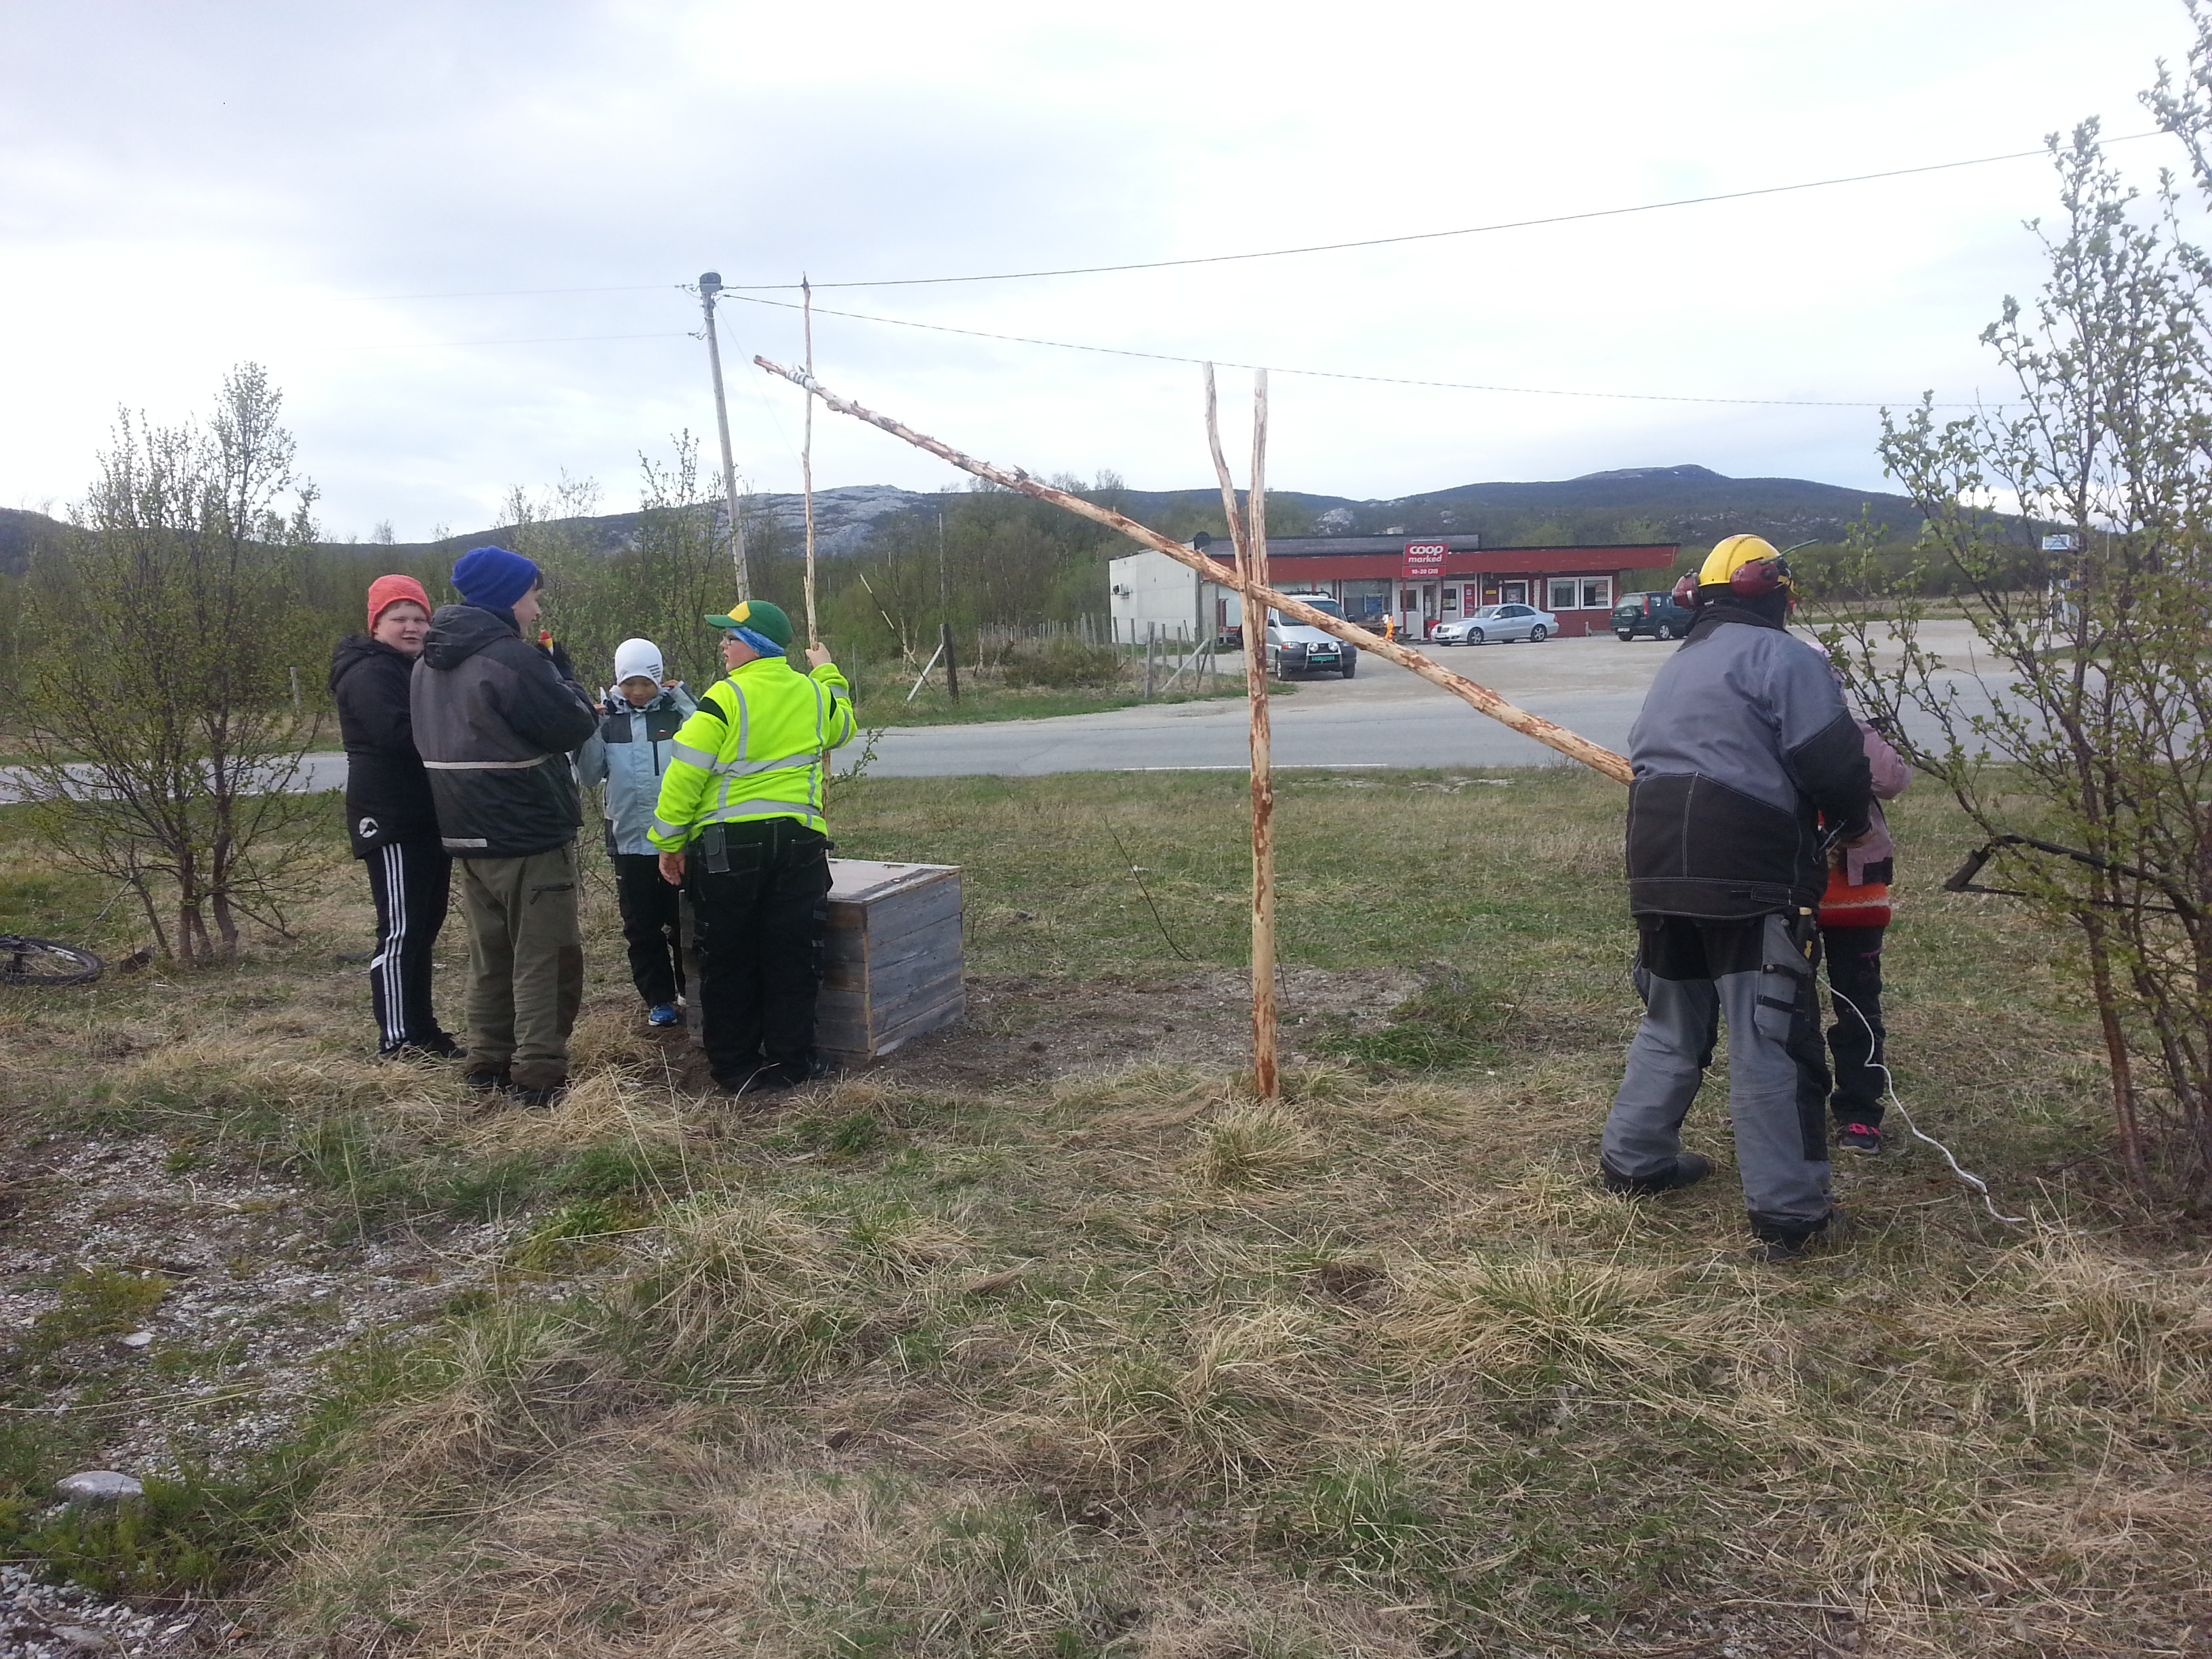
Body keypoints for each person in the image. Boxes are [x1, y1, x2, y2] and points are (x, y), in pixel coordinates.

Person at [1597, 534, 1875, 1262]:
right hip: (1746, 868)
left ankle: (1635, 1162)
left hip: (1657, 862)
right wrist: (1848, 823)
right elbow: (1837, 767)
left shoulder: (1680, 662)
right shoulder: (1783, 659)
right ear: (1770, 589)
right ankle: (1790, 1214)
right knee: (1771, 1037)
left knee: (1671, 1019)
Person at [410, 546, 599, 1104]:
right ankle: (539, 1074)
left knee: (491, 954)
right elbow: (572, 726)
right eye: (533, 596)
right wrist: (565, 677)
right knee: (546, 955)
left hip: (465, 829)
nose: (536, 610)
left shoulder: (427, 661)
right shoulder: (509, 659)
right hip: (527, 829)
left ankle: (487, 1059)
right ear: (508, 597)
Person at [647, 600, 857, 1095]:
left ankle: (736, 1068)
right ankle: (792, 1062)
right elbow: (843, 725)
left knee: (728, 958)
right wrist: (827, 672)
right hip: (800, 845)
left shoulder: (723, 700)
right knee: (792, 955)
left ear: (757, 645)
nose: (723, 646)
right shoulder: (811, 694)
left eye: (731, 638)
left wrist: (670, 842)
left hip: (728, 850)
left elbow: (684, 777)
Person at [329, 574, 460, 1060]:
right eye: (399, 619)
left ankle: (423, 1031)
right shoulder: (368, 671)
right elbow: (397, 735)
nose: (411, 628)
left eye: (419, 619)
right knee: (402, 930)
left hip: (426, 817)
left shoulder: (413, 668)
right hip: (390, 817)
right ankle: (398, 1039)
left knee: (424, 926)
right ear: (376, 624)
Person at [575, 637, 697, 1029]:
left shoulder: (678, 716)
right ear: (618, 681)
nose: (639, 692)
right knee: (641, 925)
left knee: (686, 920)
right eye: (630, 684)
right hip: (628, 840)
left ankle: (690, 989)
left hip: (677, 839)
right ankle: (658, 997)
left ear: (660, 680)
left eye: (647, 683)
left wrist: (684, 700)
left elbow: (708, 750)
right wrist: (589, 727)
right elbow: (591, 775)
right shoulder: (609, 720)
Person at [1820, 699, 1912, 1155]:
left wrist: (1852, 727)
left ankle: (1860, 1112)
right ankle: (1797, 1106)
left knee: (1857, 1010)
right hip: (1787, 891)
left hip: (1856, 896)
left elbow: (1891, 779)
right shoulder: (1763, 726)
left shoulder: (1852, 732)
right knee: (1786, 1013)